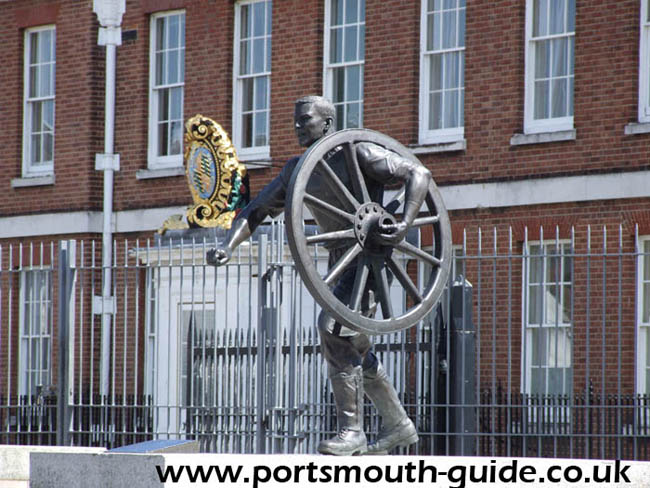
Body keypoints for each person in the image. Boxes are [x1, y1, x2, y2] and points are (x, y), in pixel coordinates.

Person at [207, 95, 431, 455]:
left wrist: (404, 223)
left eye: (305, 119)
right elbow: (256, 210)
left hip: (371, 260)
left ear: (327, 123)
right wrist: (228, 245)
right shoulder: (296, 170)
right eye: (295, 120)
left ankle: (353, 432)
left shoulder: (357, 154)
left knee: (333, 330)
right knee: (353, 343)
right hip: (342, 261)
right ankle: (399, 425)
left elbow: (419, 174)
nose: (297, 126)